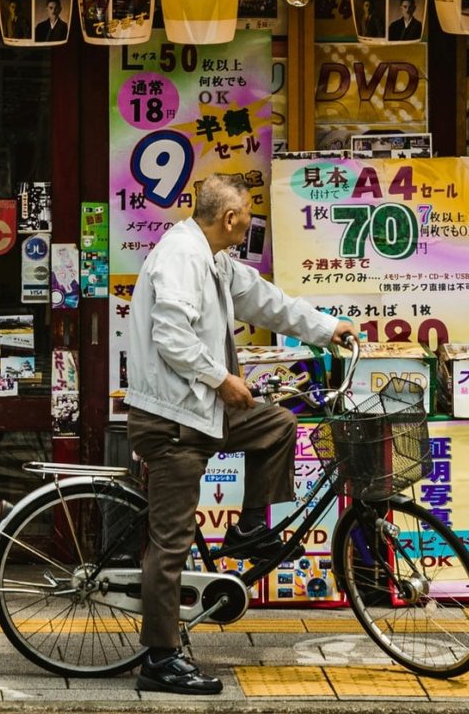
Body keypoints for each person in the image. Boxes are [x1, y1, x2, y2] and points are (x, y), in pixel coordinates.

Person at [126, 174, 356, 695]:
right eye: (249, 214)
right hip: (173, 419)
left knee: (277, 424)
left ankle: (250, 528)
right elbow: (170, 334)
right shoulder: (181, 257)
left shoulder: (215, 261)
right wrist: (221, 377)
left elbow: (267, 302)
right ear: (229, 219)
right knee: (171, 542)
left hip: (200, 409)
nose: (251, 222)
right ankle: (159, 659)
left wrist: (327, 327)